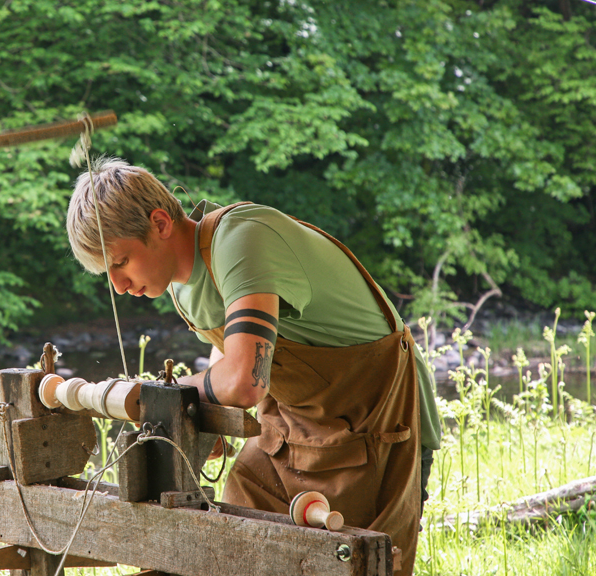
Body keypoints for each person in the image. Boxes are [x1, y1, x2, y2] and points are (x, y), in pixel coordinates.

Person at [66, 158, 441, 576]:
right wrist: (204, 422)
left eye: (119, 262)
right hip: (293, 426)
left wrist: (160, 393)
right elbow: (227, 366)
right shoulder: (183, 286)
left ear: (160, 223)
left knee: (355, 562)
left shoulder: (242, 241)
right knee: (232, 541)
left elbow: (245, 380)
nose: (117, 286)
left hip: (377, 424)